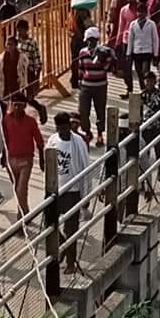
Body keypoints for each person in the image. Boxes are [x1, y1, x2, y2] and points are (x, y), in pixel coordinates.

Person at [47, 112, 90, 274]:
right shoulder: (52, 141)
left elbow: (86, 169)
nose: (61, 131)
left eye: (64, 128)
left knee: (71, 229)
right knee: (50, 225)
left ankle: (71, 263)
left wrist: (86, 197)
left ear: (68, 126)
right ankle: (62, 245)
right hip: (55, 192)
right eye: (58, 128)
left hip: (73, 192)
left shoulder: (78, 143)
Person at [3, 97, 45, 215]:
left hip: (26, 160)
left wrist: (42, 159)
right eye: (15, 105)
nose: (17, 108)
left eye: (20, 105)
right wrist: (3, 157)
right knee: (16, 188)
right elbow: (4, 139)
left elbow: (39, 140)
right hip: (11, 159)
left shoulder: (30, 121)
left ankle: (21, 217)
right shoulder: (6, 119)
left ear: (25, 106)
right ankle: (24, 210)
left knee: (21, 189)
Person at [76, 27, 113, 147]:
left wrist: (102, 59)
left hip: (100, 85)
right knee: (83, 110)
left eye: (93, 40)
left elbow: (108, 69)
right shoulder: (83, 52)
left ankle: (100, 134)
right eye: (88, 40)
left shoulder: (104, 52)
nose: (90, 43)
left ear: (97, 40)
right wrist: (80, 81)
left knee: (100, 111)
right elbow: (81, 68)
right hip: (86, 86)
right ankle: (87, 131)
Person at [15, 20, 48, 123]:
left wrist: (37, 79)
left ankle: (39, 108)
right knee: (19, 96)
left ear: (26, 30)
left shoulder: (31, 43)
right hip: (18, 73)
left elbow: (37, 61)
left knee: (29, 97)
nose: (19, 33)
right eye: (18, 31)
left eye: (21, 30)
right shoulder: (16, 42)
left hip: (29, 73)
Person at [139, 71, 160, 183]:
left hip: (157, 126)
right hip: (145, 127)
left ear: (154, 81)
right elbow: (139, 112)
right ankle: (144, 175)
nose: (149, 83)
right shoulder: (141, 95)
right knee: (145, 153)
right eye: (147, 81)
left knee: (159, 151)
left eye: (151, 81)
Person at [126, 3, 159, 95]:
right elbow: (130, 39)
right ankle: (143, 89)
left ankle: (147, 88)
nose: (140, 14)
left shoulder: (151, 24)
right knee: (139, 72)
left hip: (147, 51)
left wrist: (155, 54)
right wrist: (129, 53)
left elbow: (155, 39)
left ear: (146, 13)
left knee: (145, 71)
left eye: (143, 12)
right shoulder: (133, 24)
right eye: (139, 12)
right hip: (136, 52)